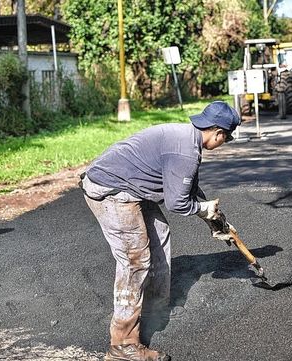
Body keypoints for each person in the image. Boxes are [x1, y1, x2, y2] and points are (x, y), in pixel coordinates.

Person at [81, 101, 240, 361]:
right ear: (218, 133)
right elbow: (178, 203)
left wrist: (214, 219)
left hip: (130, 187)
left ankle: (154, 310)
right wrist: (202, 210)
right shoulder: (185, 152)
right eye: (226, 138)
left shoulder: (187, 138)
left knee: (160, 233)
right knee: (135, 261)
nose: (223, 143)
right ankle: (123, 346)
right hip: (111, 191)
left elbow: (187, 188)